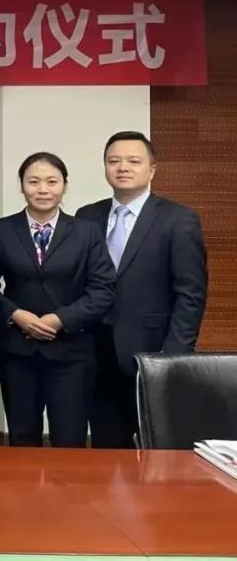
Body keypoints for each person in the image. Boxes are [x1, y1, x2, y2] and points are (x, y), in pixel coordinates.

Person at [76, 131, 208, 448]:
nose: (123, 167)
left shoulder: (178, 219)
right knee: (106, 446)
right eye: (114, 161)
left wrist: (172, 357)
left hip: (151, 351)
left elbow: (190, 294)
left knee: (155, 449)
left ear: (152, 169)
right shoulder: (86, 216)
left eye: (134, 161)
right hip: (93, 350)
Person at [0, 152, 115, 448]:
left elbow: (104, 290)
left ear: (64, 186)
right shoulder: (2, 229)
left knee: (70, 440)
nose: (43, 189)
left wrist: (61, 319)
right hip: (18, 353)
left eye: (51, 181)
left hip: (72, 354)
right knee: (22, 439)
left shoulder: (86, 232)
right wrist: (15, 314)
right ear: (22, 186)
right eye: (33, 182)